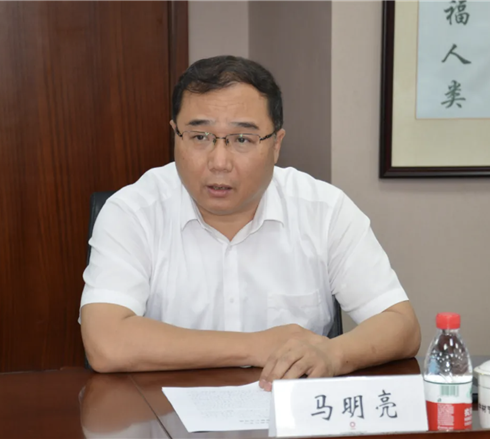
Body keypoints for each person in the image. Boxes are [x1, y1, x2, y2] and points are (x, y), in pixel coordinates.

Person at [80, 55, 420, 390]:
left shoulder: (324, 210)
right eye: (200, 137)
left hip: (288, 413)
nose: (219, 162)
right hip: (161, 412)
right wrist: (257, 346)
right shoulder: (133, 212)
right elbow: (106, 342)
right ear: (175, 135)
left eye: (242, 139)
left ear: (276, 145)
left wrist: (333, 354)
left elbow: (401, 326)